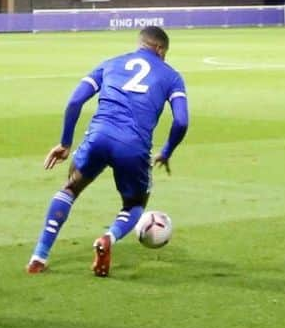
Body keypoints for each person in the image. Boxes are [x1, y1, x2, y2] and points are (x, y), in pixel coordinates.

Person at [26, 25, 189, 277]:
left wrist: (65, 143)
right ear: (160, 49)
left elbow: (75, 101)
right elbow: (181, 121)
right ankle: (108, 238)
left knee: (70, 189)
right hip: (133, 147)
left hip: (98, 136)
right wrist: (166, 151)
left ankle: (39, 256)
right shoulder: (172, 76)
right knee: (134, 204)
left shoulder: (110, 64)